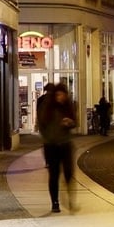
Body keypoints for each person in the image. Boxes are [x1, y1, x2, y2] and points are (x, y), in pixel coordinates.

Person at [38, 83, 77, 213]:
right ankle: (55, 202)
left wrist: (69, 123)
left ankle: (71, 199)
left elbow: (74, 122)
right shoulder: (47, 108)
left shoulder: (68, 108)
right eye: (58, 94)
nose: (60, 97)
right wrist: (48, 139)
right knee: (54, 174)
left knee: (68, 173)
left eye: (62, 94)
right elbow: (42, 126)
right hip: (51, 146)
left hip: (65, 144)